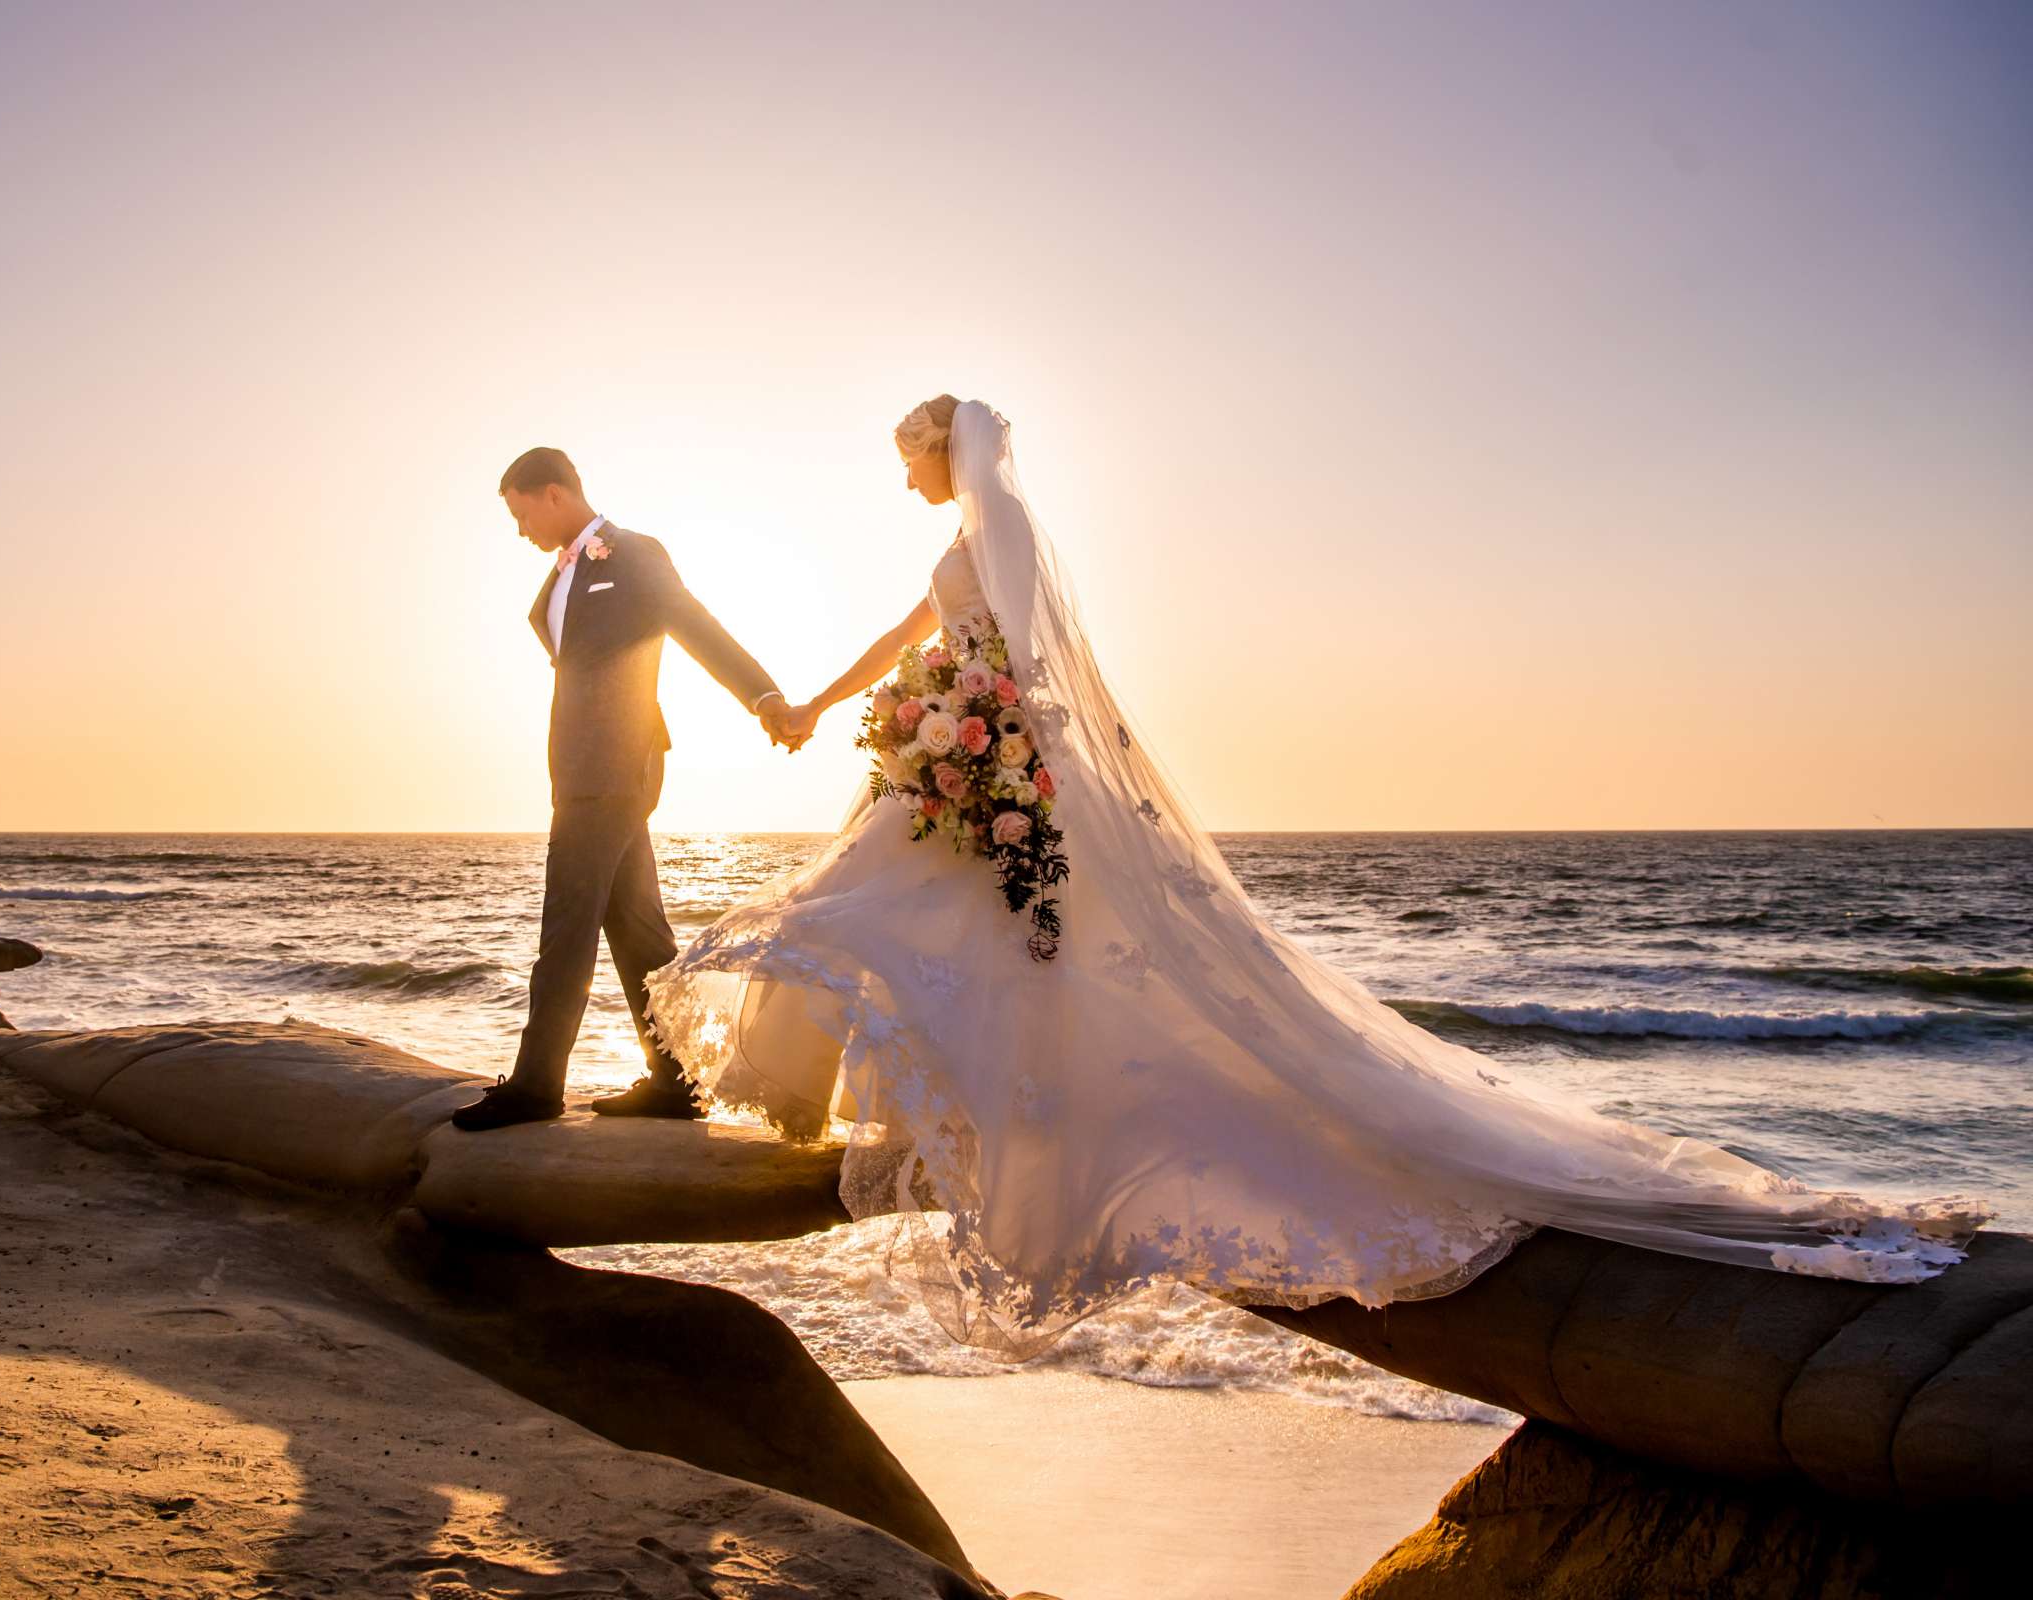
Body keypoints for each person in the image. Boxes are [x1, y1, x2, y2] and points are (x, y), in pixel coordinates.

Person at [642, 396, 1987, 1351]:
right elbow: (911, 628)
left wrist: (966, 723)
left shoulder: (1000, 534)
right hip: (958, 754)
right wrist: (830, 701)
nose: (908, 480)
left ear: (950, 450)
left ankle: (990, 1126)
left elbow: (1021, 658)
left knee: (902, 919)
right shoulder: (968, 545)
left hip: (983, 761)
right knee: (911, 923)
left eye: (911, 459)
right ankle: (923, 1114)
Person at [451, 447, 796, 1133]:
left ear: (554, 494)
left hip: (613, 766)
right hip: (581, 767)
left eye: (522, 514)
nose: (521, 531)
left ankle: (536, 1087)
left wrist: (763, 696)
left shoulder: (633, 554)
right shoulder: (562, 577)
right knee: (637, 929)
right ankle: (676, 1079)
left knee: (567, 924)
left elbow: (698, 628)